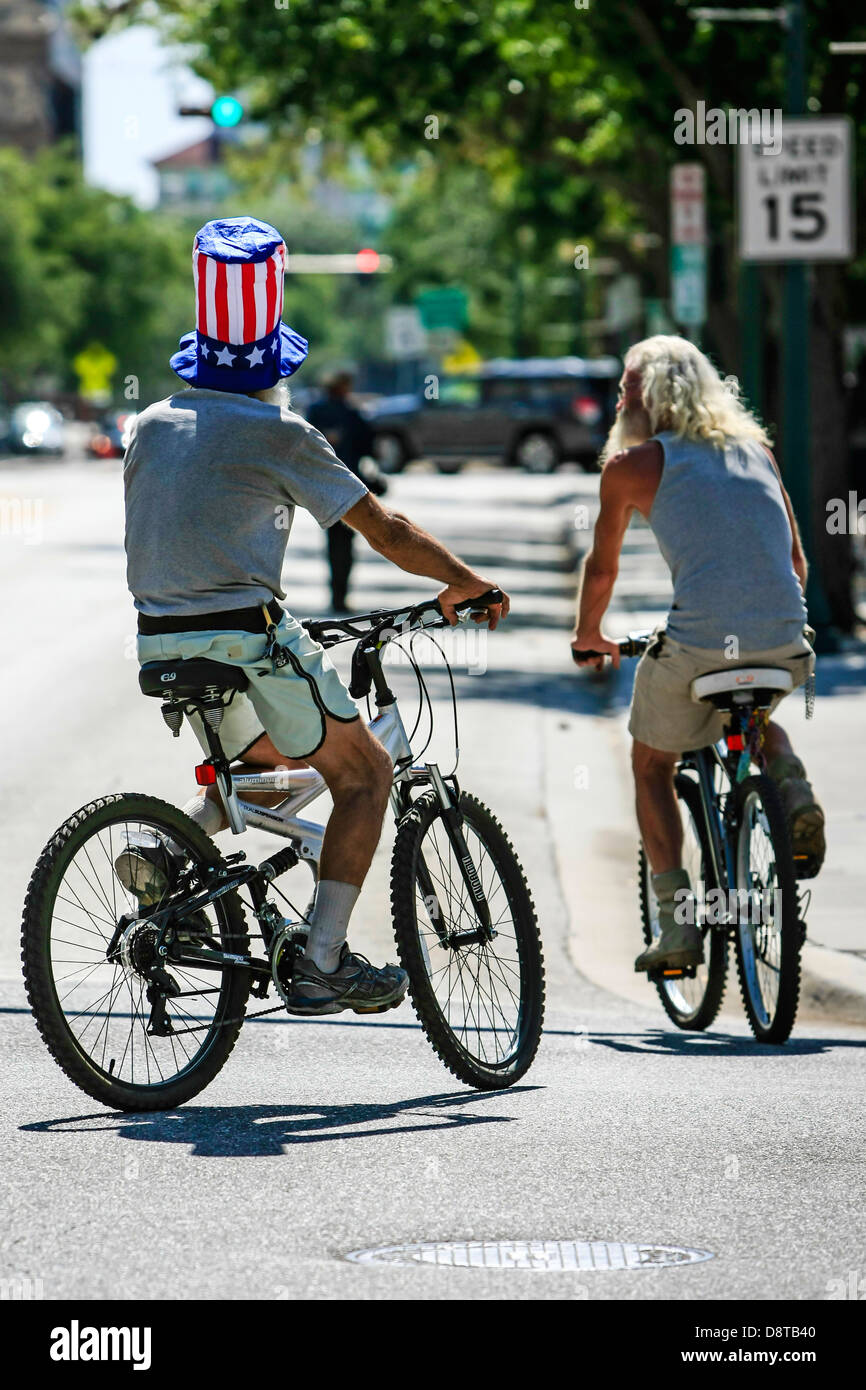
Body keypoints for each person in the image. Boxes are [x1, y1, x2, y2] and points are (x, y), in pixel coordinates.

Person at [121, 216, 509, 1015]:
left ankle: (167, 847)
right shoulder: (281, 431)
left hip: (159, 642)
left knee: (267, 769)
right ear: (272, 364)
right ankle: (323, 960)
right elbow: (387, 531)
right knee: (365, 776)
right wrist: (468, 581)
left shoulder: (149, 425)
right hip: (246, 635)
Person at [572, 334, 824, 974]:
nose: (621, 398)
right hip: (787, 638)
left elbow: (601, 571)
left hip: (700, 644)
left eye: (628, 387)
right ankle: (790, 789)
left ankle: (677, 931)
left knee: (651, 764)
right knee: (759, 722)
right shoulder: (758, 453)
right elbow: (796, 561)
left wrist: (589, 638)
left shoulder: (631, 466)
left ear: (650, 395)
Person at [306, 369, 381, 612]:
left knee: (335, 543)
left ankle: (337, 594)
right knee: (345, 544)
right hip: (349, 486)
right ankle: (341, 594)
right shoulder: (352, 413)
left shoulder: (316, 411)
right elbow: (370, 445)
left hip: (323, 487)